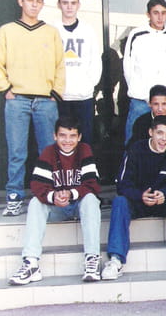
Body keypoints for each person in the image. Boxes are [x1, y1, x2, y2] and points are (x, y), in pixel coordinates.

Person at [101, 116, 166, 280]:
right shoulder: (136, 149)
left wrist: (164, 193)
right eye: (160, 133)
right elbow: (122, 184)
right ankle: (116, 259)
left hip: (163, 201)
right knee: (119, 201)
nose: (164, 138)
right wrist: (140, 195)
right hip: (138, 202)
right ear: (150, 132)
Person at [8, 116, 101, 285]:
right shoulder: (48, 152)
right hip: (57, 208)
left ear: (79, 137)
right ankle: (31, 263)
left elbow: (93, 184)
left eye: (72, 136)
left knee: (91, 199)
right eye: (63, 135)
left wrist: (71, 194)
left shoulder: (84, 150)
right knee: (36, 203)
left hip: (78, 205)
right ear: (55, 136)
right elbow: (37, 185)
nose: (67, 141)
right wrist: (53, 197)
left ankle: (92, 259)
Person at [0, 0, 65, 216]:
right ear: (21, 2)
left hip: (45, 101)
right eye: (30, 0)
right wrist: (6, 89)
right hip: (17, 99)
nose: (34, 5)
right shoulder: (6, 31)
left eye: (38, 1)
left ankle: (49, 195)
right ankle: (14, 197)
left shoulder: (51, 32)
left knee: (48, 152)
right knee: (17, 152)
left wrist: (55, 93)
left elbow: (60, 65)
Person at [123, 0, 166, 144]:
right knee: (134, 143)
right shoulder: (136, 34)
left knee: (165, 143)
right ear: (148, 14)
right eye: (156, 13)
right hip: (141, 101)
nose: (160, 17)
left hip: (165, 103)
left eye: (163, 13)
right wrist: (139, 91)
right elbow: (128, 68)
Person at [52, 0, 102, 145]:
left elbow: (95, 61)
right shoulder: (52, 30)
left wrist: (89, 85)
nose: (69, 7)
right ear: (59, 5)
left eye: (73, 3)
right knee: (62, 141)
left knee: (84, 140)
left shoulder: (88, 31)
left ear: (78, 5)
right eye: (65, 3)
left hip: (83, 97)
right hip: (60, 97)